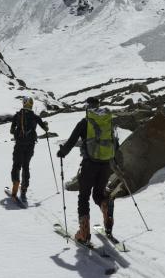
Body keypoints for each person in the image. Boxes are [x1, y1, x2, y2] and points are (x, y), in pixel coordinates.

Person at [57, 97, 122, 242]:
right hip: (106, 164)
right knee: (98, 194)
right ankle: (105, 207)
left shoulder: (85, 122)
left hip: (89, 165)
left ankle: (84, 233)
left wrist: (62, 152)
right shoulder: (107, 122)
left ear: (87, 108)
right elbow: (115, 144)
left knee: (84, 196)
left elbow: (71, 141)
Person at [9, 97, 48, 202]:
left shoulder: (17, 115)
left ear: (23, 103)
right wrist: (46, 126)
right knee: (26, 166)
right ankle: (24, 190)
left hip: (19, 145)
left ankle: (15, 188)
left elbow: (12, 131)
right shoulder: (35, 117)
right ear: (31, 104)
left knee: (16, 165)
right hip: (30, 145)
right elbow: (45, 128)